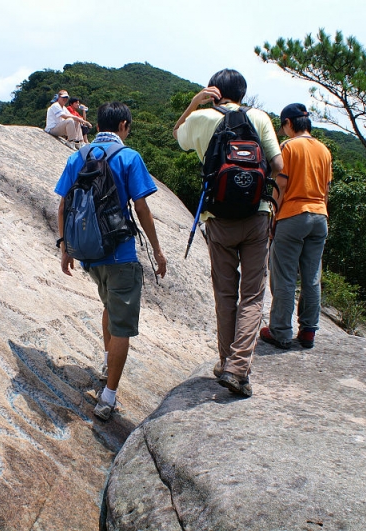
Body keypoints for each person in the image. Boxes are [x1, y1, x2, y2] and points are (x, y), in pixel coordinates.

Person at [173, 69, 283, 397]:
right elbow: (277, 164)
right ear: (243, 93)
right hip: (256, 215)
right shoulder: (260, 118)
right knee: (252, 295)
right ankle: (238, 368)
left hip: (217, 217)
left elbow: (175, 135)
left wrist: (194, 102)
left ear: (215, 91)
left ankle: (226, 363)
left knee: (225, 294)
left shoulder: (201, 118)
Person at [55, 101, 167, 420]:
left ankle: (107, 362)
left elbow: (63, 206)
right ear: (123, 127)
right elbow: (142, 208)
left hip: (90, 256)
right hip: (120, 255)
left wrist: (65, 248)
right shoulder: (128, 157)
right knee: (122, 325)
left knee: (109, 306)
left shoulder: (77, 157)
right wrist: (157, 250)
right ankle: (108, 397)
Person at [260, 103, 333, 350]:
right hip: (319, 217)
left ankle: (280, 331)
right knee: (312, 277)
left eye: (283, 126)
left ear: (289, 123)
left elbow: (280, 184)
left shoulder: (288, 147)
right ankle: (308, 331)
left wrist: (273, 218)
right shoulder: (324, 150)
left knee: (285, 276)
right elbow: (326, 190)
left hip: (292, 216)